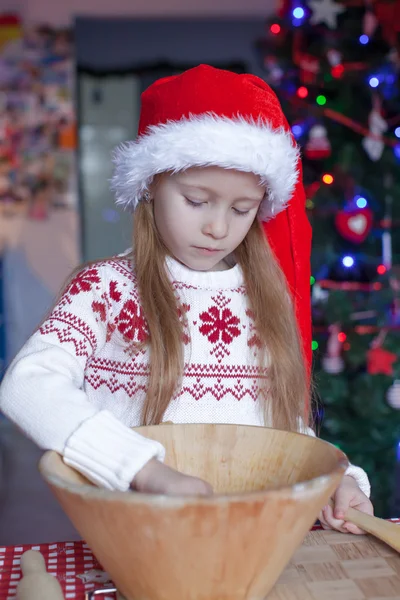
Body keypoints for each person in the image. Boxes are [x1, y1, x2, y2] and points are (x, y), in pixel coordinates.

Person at [0, 64, 372, 534]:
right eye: (197, 200)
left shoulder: (264, 296)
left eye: (242, 209)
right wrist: (144, 471)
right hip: (140, 541)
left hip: (248, 540)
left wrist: (334, 481)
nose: (218, 228)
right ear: (151, 185)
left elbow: (281, 429)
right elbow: (27, 385)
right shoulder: (107, 289)